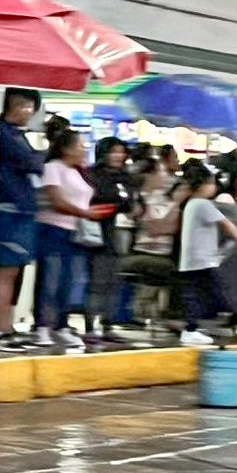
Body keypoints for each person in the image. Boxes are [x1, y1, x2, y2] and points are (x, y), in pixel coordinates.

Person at [35, 129, 107, 350]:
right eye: (80, 146)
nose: (84, 150)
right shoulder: (53, 168)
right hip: (53, 229)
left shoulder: (79, 172)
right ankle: (42, 325)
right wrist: (85, 213)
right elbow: (56, 200)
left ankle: (61, 324)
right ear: (66, 148)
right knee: (50, 278)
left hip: (75, 232)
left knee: (69, 280)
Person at [0, 88, 45, 350]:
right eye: (25, 106)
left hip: (22, 210)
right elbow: (32, 163)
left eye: (31, 107)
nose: (28, 112)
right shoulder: (3, 134)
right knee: (6, 270)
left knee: (16, 270)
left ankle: (7, 325)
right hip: (9, 209)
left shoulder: (18, 135)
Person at [176, 162, 237, 346]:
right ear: (202, 185)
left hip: (192, 259)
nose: (214, 187)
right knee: (221, 291)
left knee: (197, 295)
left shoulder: (191, 204)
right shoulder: (203, 204)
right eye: (211, 183)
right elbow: (227, 225)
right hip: (202, 259)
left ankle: (192, 329)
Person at [87, 136, 139, 344]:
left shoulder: (126, 177)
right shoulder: (92, 175)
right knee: (97, 281)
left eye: (121, 151)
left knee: (114, 280)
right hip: (96, 232)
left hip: (118, 233)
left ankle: (108, 323)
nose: (118, 156)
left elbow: (132, 203)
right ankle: (90, 325)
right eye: (113, 151)